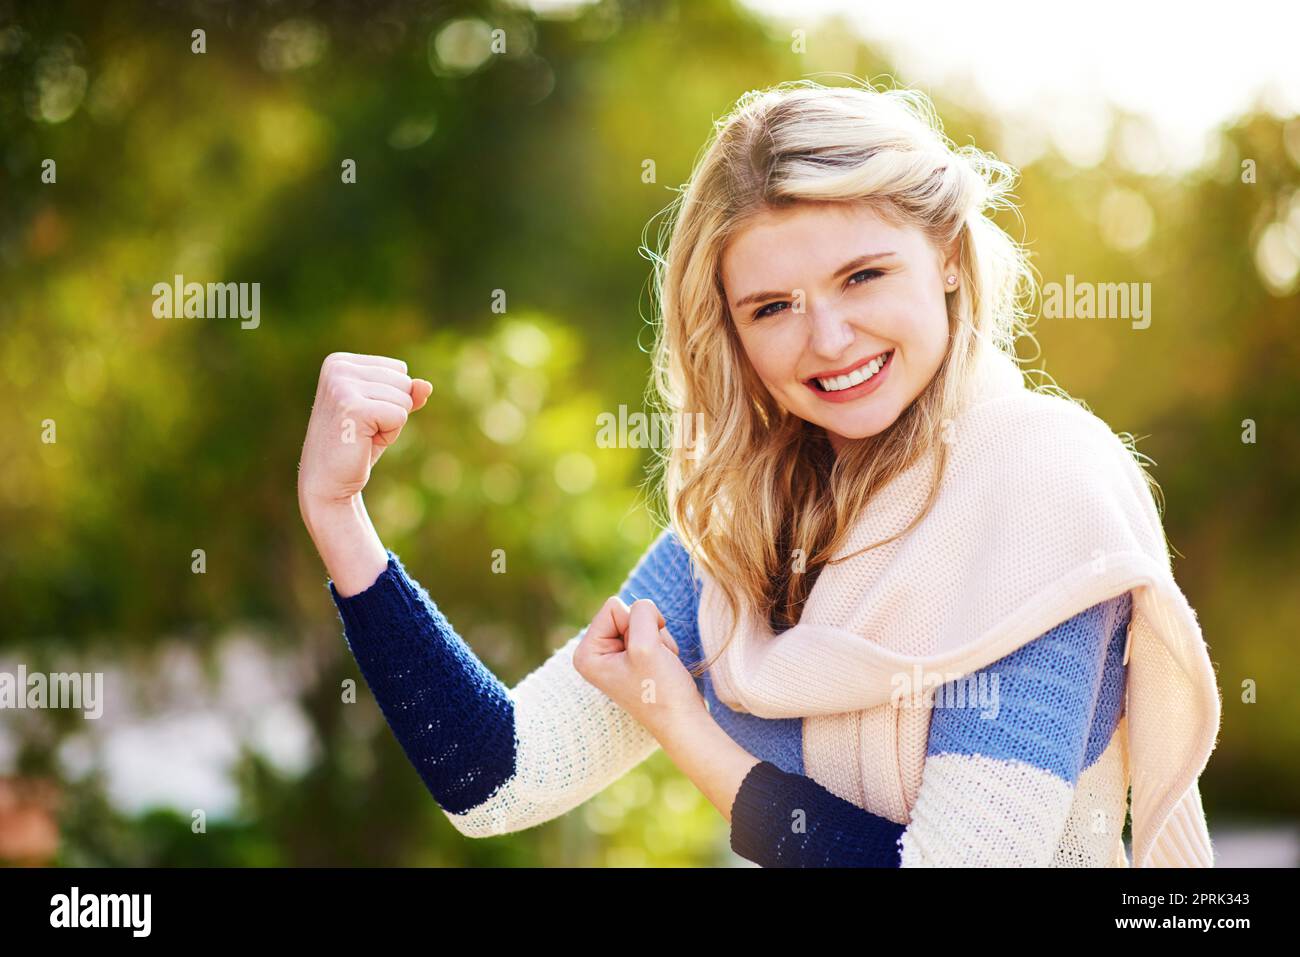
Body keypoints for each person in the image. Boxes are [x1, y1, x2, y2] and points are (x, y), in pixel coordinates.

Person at [296, 79, 1220, 866]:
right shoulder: (740, 528)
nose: (828, 340)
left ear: (945, 254)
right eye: (773, 305)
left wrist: (685, 729)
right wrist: (340, 517)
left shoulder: (1043, 489)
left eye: (862, 276)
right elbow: (491, 776)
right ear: (731, 331)